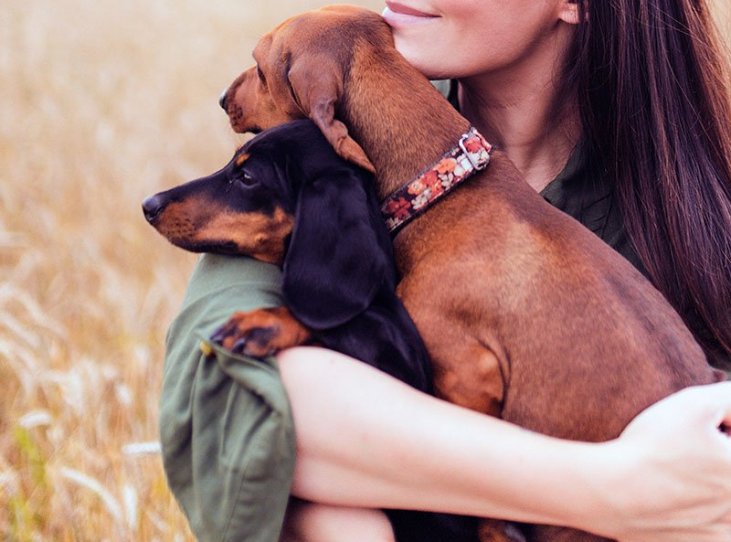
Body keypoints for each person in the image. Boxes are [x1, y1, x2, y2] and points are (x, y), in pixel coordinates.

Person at [158, 0, 731, 540]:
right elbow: (239, 392)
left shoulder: (695, 202)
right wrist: (615, 486)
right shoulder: (333, 140)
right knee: (330, 521)